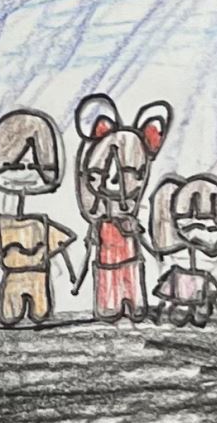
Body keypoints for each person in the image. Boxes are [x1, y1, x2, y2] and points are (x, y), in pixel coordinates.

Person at [0, 108, 83, 325]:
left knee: (40, 311)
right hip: (12, 278)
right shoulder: (0, 225)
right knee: (10, 312)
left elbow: (60, 246)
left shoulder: (41, 224)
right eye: (12, 166)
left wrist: (71, 272)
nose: (25, 173)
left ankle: (37, 313)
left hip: (38, 278)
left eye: (33, 166)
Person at [73, 94, 170, 322]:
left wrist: (154, 250)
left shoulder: (129, 218)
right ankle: (108, 304)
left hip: (127, 243)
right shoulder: (101, 217)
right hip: (107, 240)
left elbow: (141, 239)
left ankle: (133, 301)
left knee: (131, 269)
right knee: (107, 270)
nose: (115, 182)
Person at [148, 170, 217, 325]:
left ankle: (181, 311)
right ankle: (170, 310)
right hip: (184, 274)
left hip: (191, 275)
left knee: (190, 291)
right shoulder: (181, 236)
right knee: (176, 292)